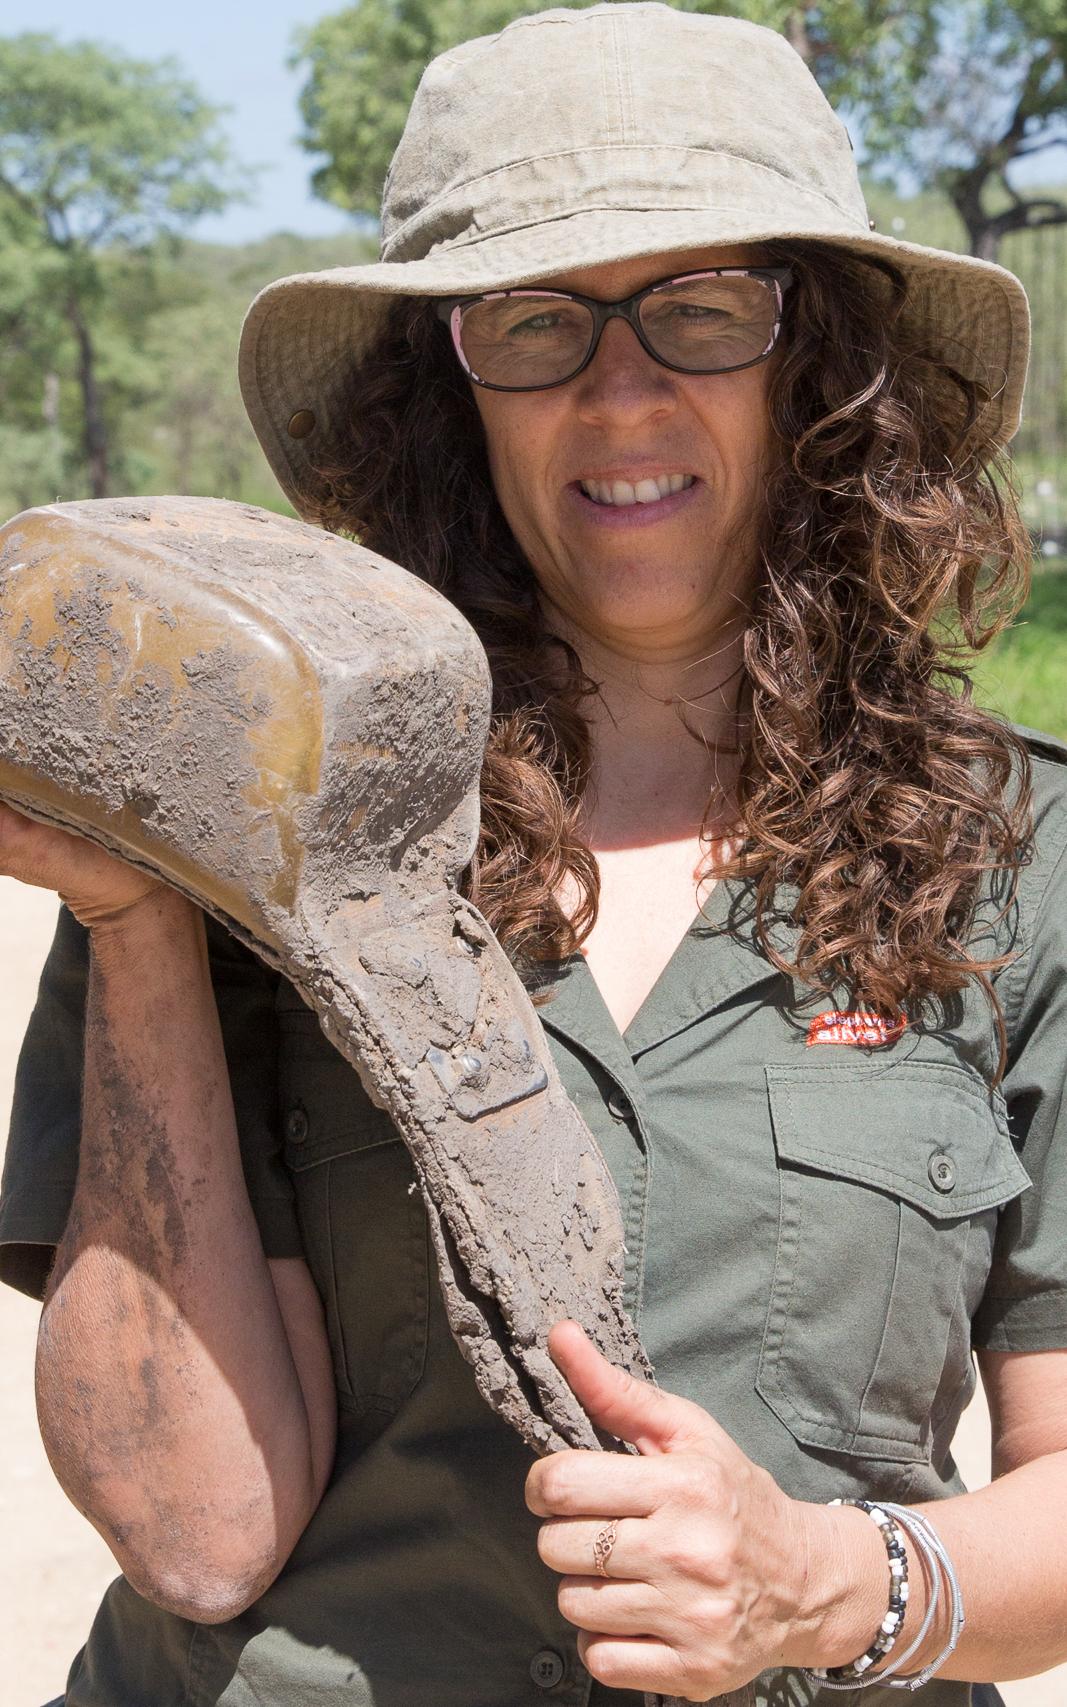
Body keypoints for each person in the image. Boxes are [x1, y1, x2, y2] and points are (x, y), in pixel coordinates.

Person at [1, 6, 1065, 1705]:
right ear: (450, 386)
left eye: (702, 309)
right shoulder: (239, 822)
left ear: (819, 361)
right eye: (537, 324)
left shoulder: (1021, 854)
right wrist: (137, 919)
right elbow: (199, 1534)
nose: (621, 391)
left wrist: (827, 1584)